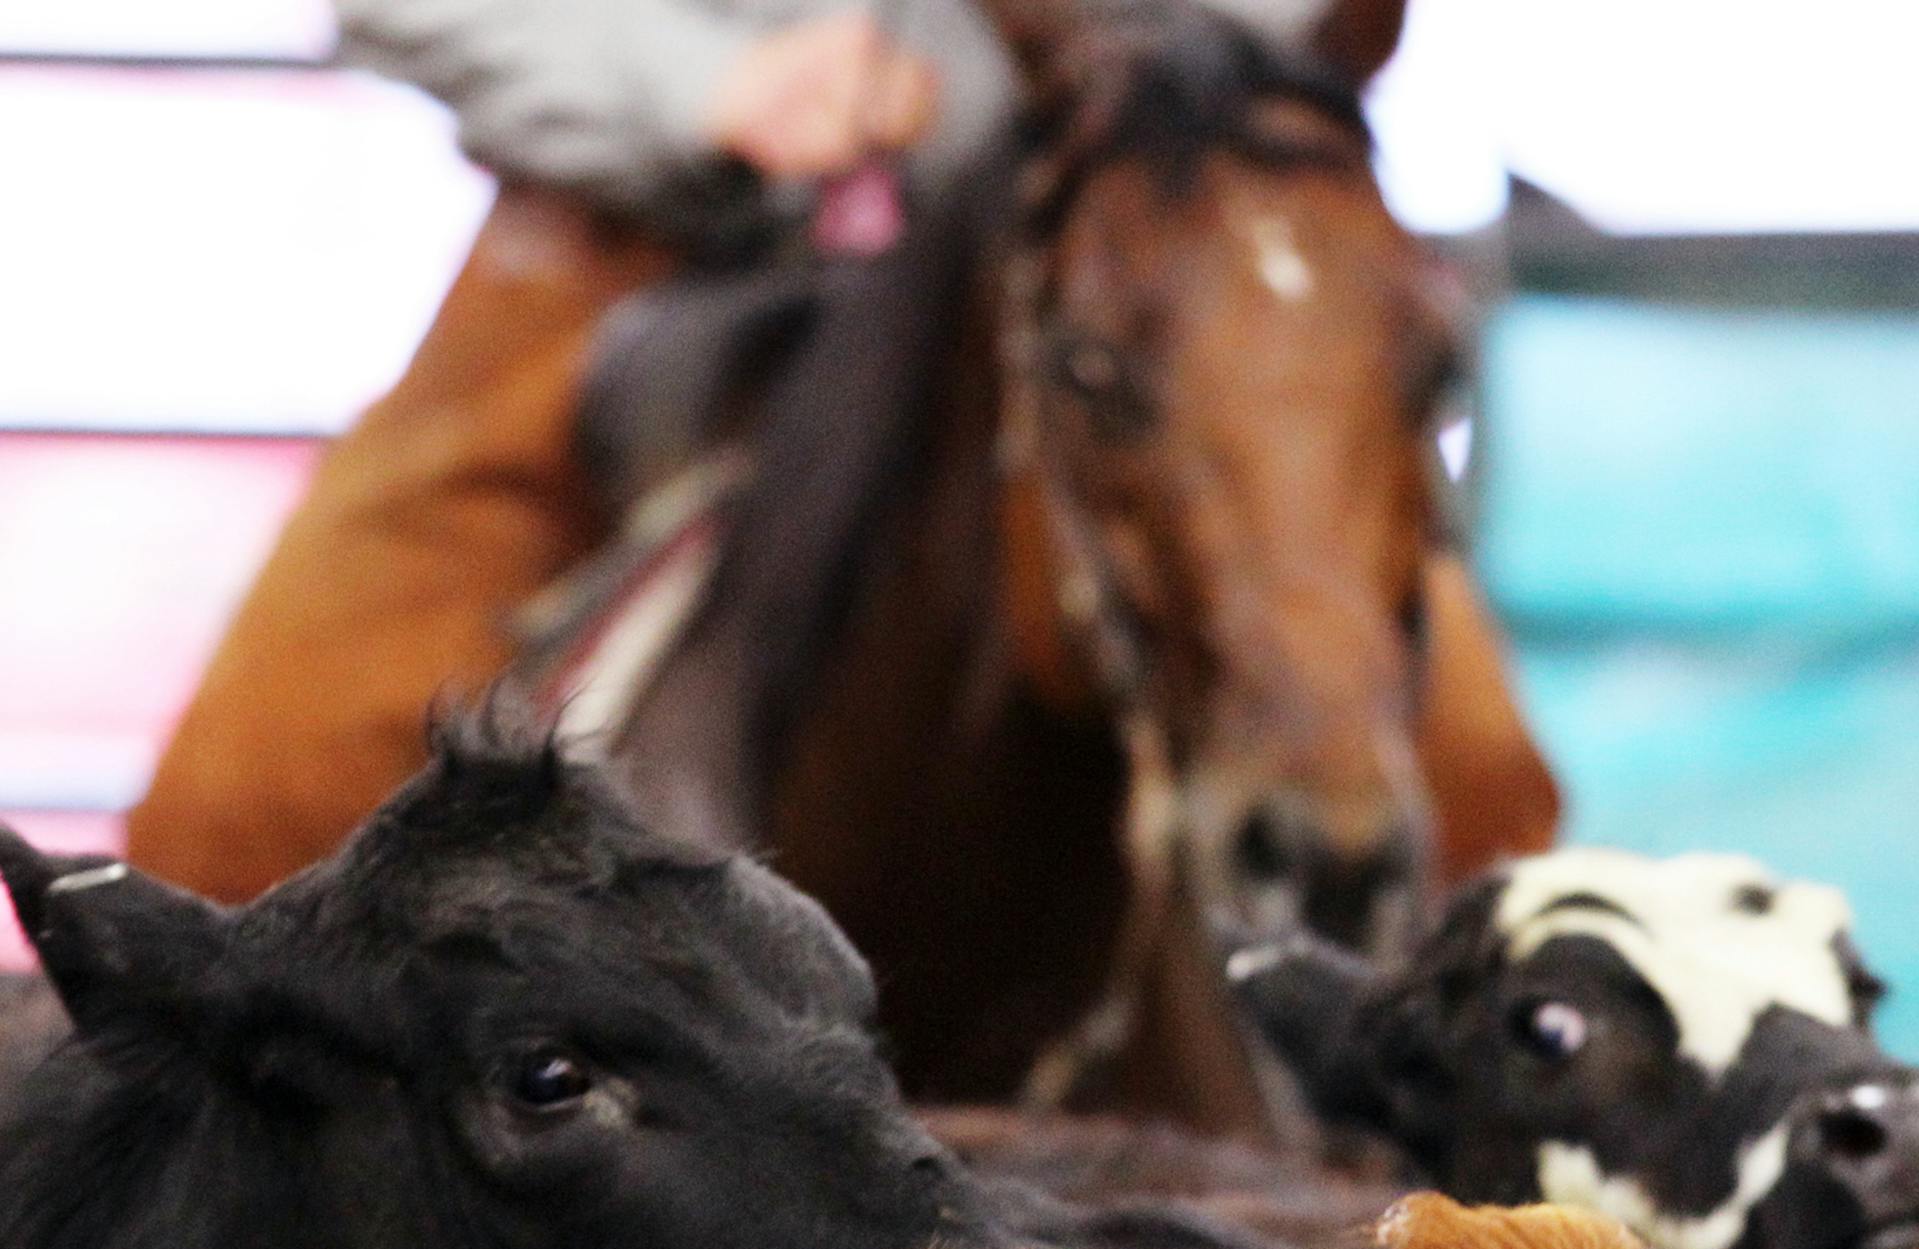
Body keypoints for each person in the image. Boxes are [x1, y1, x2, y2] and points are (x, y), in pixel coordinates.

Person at [125, 0, 1338, 902]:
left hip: (1081, 284)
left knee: (1455, 764)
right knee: (249, 805)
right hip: (620, 250)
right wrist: (706, 87)